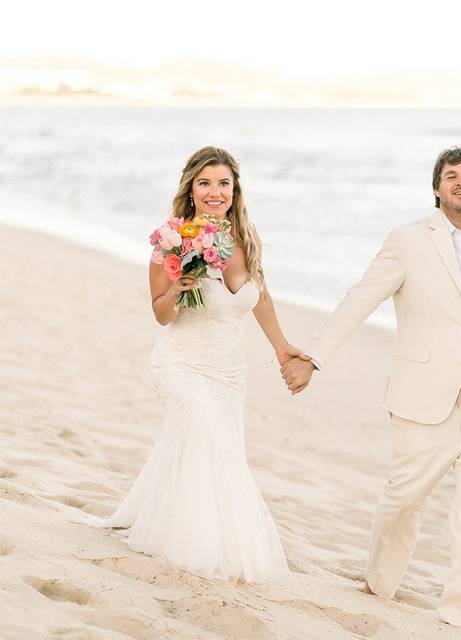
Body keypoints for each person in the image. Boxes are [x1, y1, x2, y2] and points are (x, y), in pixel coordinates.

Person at [281, 147, 461, 634]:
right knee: (404, 502)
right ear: (437, 189)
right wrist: (314, 356)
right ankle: (381, 582)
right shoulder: (406, 241)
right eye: (450, 176)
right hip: (422, 401)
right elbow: (361, 297)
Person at [87, 147, 300, 582]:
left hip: (229, 371)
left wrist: (281, 348)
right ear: (191, 189)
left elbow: (260, 298)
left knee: (206, 447)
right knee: (208, 439)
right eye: (205, 183)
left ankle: (192, 528)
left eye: (223, 183)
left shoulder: (247, 236)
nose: (215, 192)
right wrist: (179, 287)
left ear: (235, 189)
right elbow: (161, 314)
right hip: (181, 363)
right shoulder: (172, 239)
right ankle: (199, 547)